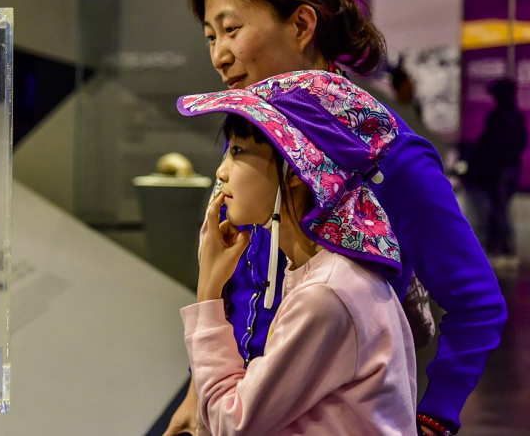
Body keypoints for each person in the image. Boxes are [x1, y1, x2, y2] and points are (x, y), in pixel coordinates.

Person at [163, 0, 506, 436]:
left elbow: (476, 303)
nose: (219, 55)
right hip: (242, 406)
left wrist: (435, 415)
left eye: (232, 29)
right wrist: (200, 393)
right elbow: (238, 285)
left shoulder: (387, 155)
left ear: (302, 25)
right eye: (210, 36)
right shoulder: (256, 144)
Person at [177, 70, 416, 435]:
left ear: (295, 169)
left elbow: (232, 423)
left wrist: (209, 293)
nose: (221, 172)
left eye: (238, 151)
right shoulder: (323, 273)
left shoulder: (325, 294)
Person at [466, 78, 528, 257]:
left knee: (499, 209)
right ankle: (500, 245)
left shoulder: (503, 118)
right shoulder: (511, 117)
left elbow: (491, 142)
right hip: (505, 168)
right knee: (499, 208)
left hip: (502, 169)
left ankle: (503, 246)